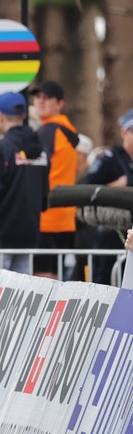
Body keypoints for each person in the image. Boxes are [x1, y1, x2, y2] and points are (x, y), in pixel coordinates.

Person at [0, 91, 50, 274]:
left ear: (0, 116)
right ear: (23, 115)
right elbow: (45, 194)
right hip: (31, 232)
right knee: (20, 295)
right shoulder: (42, 150)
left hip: (3, 235)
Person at [30, 80, 79, 279]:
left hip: (46, 218)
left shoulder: (47, 132)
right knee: (55, 276)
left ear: (60, 103)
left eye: (47, 98)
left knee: (43, 277)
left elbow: (36, 171)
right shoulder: (69, 132)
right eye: (38, 97)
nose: (40, 102)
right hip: (66, 217)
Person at [80, 108, 133, 284]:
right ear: (124, 132)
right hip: (112, 231)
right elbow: (86, 190)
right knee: (104, 280)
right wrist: (117, 186)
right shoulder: (110, 159)